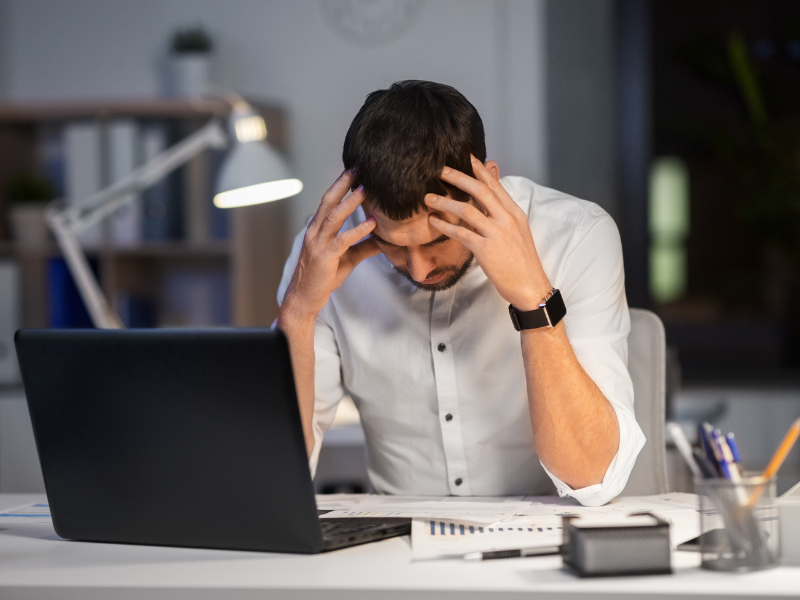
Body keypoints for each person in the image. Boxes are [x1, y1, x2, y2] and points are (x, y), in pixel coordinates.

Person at [277, 80, 644, 506]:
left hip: (542, 542)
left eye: (437, 240)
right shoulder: (322, 255)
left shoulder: (576, 236)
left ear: (486, 184)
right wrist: (298, 313)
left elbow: (593, 476)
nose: (418, 268)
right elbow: (278, 473)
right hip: (395, 545)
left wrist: (532, 297)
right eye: (391, 244)